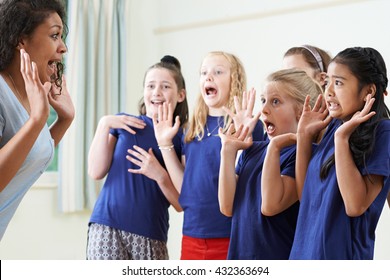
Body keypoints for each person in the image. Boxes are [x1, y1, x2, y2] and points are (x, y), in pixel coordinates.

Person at [151, 51, 265, 260]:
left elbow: (251, 186)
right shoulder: (192, 128)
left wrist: (244, 134)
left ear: (235, 80)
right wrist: (164, 143)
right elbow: (185, 188)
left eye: (218, 72)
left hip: (232, 235)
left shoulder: (251, 127)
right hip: (192, 234)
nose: (208, 77)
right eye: (203, 73)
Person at [290, 47, 390, 259]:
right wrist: (304, 137)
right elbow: (305, 196)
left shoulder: (383, 132)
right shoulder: (335, 126)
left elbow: (355, 205)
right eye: (327, 83)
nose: (328, 92)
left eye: (339, 83)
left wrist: (342, 139)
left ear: (368, 91)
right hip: (304, 256)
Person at [86, 55, 188, 260]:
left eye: (165, 86)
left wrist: (159, 175)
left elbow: (181, 204)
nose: (156, 92)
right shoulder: (124, 123)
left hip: (151, 233)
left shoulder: (183, 137)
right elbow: (95, 172)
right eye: (150, 86)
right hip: (107, 226)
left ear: (180, 95)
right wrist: (104, 123)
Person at [218, 69, 323, 259]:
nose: (264, 109)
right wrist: (228, 151)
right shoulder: (252, 151)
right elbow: (227, 207)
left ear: (301, 111)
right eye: (263, 100)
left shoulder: (304, 155)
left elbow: (270, 205)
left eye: (275, 102)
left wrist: (274, 147)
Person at [0, 0, 74, 241]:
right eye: (54, 35)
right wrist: (36, 121)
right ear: (21, 40)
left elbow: (28, 156)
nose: (63, 47)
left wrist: (64, 120)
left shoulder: (28, 98)